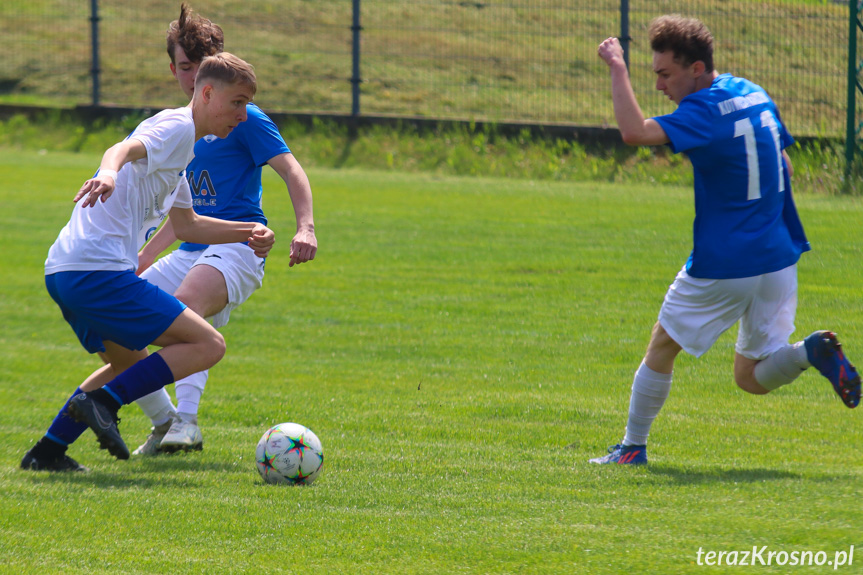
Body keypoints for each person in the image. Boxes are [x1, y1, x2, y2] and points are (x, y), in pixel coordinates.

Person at [589, 15, 861, 466]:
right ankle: (809, 351)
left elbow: (635, 133)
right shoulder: (753, 92)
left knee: (661, 346)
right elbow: (787, 168)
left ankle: (631, 448)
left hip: (726, 262)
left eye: (664, 74)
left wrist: (617, 66)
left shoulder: (701, 112)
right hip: (778, 256)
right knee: (750, 377)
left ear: (696, 69)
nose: (659, 85)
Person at [21, 52, 274, 472]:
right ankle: (103, 403)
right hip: (97, 272)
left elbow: (188, 225)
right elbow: (121, 148)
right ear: (207, 93)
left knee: (130, 360)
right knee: (208, 344)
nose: (243, 115)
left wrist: (247, 232)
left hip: (65, 271)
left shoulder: (183, 153)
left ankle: (47, 453)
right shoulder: (176, 128)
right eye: (238, 103)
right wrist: (108, 172)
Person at [92, 4, 317, 457]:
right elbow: (185, 213)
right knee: (107, 326)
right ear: (173, 68)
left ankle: (186, 421)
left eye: (201, 68)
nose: (194, 80)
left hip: (237, 246)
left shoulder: (243, 116)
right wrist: (148, 254)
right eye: (186, 68)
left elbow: (291, 170)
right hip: (189, 247)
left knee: (187, 308)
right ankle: (167, 421)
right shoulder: (178, 126)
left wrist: (305, 227)